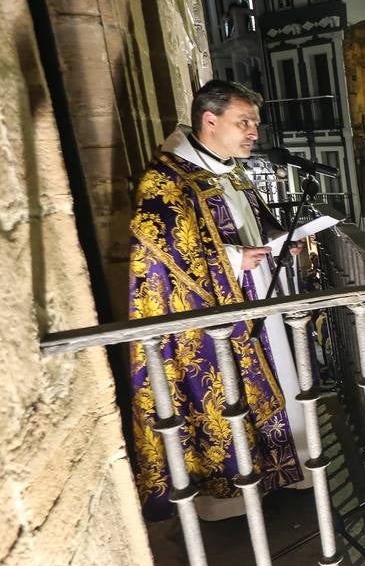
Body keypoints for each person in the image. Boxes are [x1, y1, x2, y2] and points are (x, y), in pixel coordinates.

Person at [127, 80, 312, 520]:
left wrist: (280, 243)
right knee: (226, 400)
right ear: (210, 120)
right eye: (243, 122)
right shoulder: (166, 179)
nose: (253, 133)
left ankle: (285, 473)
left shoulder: (230, 168)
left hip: (257, 295)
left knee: (280, 385)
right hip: (211, 313)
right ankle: (233, 502)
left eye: (255, 124)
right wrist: (234, 257)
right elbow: (160, 252)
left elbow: (251, 225)